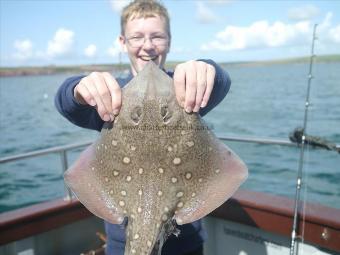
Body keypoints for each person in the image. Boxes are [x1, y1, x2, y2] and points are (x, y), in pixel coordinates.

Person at [55, 1, 231, 254]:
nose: (147, 45)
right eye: (137, 36)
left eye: (157, 36)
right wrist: (78, 88)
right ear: (122, 41)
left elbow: (221, 83)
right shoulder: (113, 96)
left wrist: (207, 68)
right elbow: (66, 104)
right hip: (121, 242)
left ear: (169, 41)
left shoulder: (185, 91)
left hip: (186, 244)